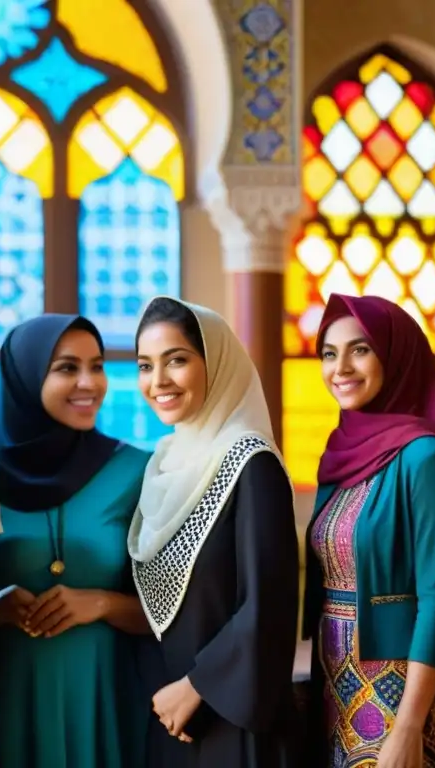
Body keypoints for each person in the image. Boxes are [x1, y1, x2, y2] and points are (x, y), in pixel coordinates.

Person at [130, 297, 298, 767]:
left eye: (177, 360)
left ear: (217, 363)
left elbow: (269, 605)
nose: (158, 381)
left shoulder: (251, 464)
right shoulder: (162, 465)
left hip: (232, 718)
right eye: (145, 365)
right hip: (168, 714)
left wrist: (196, 688)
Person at [304, 294, 435, 767]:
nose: (341, 368)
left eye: (360, 349)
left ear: (396, 355)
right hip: (338, 691)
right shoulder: (341, 456)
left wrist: (409, 727)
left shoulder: (426, 458)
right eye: (329, 353)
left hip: (400, 697)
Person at [0, 314, 151, 768]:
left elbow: (177, 612)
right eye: (66, 368)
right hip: (1, 690)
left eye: (96, 366)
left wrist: (102, 603)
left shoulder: (136, 471)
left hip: (101, 696)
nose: (88, 383)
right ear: (24, 377)